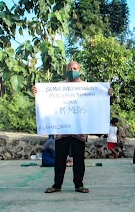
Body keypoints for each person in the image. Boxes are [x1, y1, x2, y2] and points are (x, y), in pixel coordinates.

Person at [33, 61, 111, 194]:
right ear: (66, 70)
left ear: (79, 71)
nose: (72, 70)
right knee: (59, 159)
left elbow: (97, 101)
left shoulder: (88, 88)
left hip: (79, 130)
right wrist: (37, 93)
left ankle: (79, 185)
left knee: (79, 159)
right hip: (62, 130)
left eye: (74, 68)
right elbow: (46, 100)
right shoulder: (58, 87)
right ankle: (57, 184)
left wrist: (107, 94)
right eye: (69, 68)